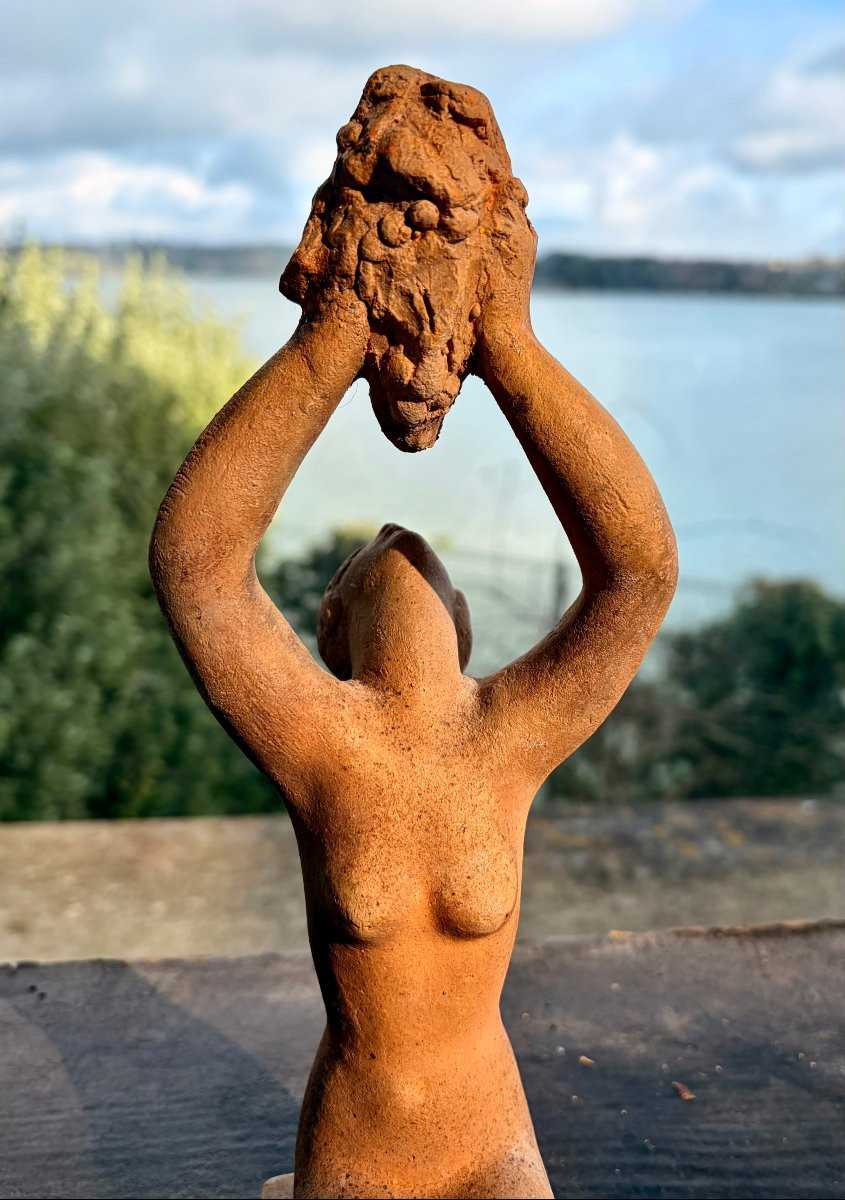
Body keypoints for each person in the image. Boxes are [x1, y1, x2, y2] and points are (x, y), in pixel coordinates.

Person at [150, 71, 677, 1200]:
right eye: (356, 568)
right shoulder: (318, 738)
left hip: (492, 1136)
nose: (399, 539)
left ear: (465, 629)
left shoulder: (509, 732)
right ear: (330, 631)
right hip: (356, 1148)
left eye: (413, 557)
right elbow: (198, 567)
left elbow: (635, 572)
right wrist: (335, 329)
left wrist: (511, 346)